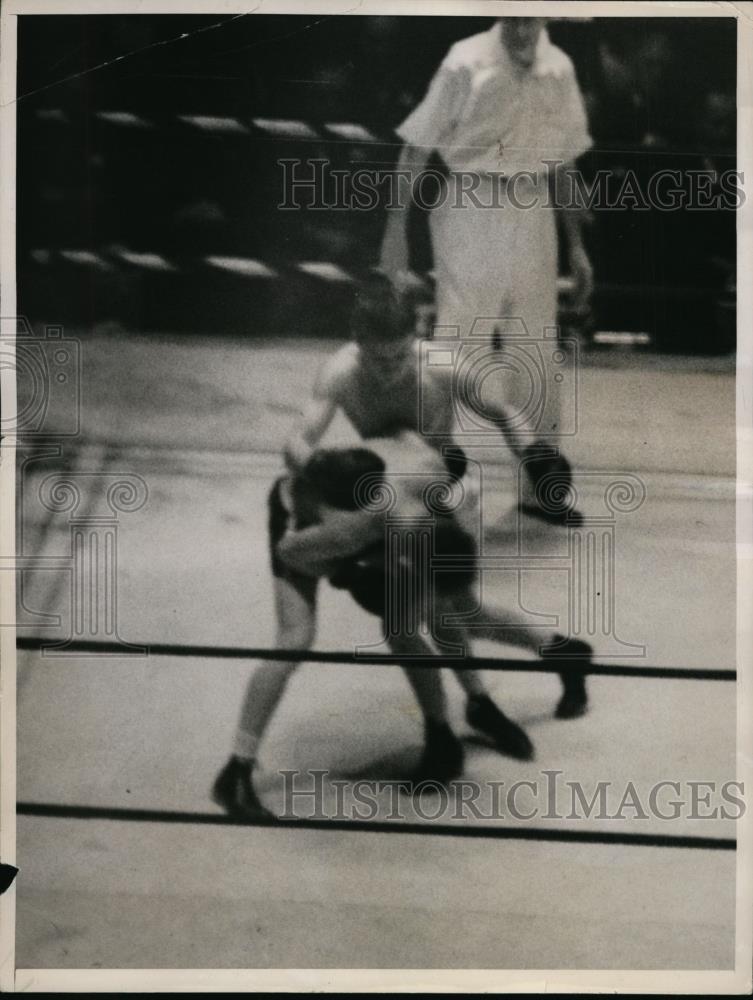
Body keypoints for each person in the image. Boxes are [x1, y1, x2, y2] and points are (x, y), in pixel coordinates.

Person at [213, 432, 590, 821]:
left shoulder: (429, 481)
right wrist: (349, 573)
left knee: (458, 612)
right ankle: (236, 771)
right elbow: (290, 553)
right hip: (311, 528)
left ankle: (560, 657)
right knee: (298, 640)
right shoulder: (343, 532)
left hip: (404, 522)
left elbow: (439, 488)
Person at [380, 17, 594, 457]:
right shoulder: (465, 60)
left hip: (534, 207)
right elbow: (416, 147)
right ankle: (431, 474)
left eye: (529, 18)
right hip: (469, 203)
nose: (520, 29)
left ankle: (541, 481)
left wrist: (577, 247)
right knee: (458, 335)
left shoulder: (560, 68)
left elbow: (564, 162)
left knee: (537, 340)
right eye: (511, 17)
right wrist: (395, 232)